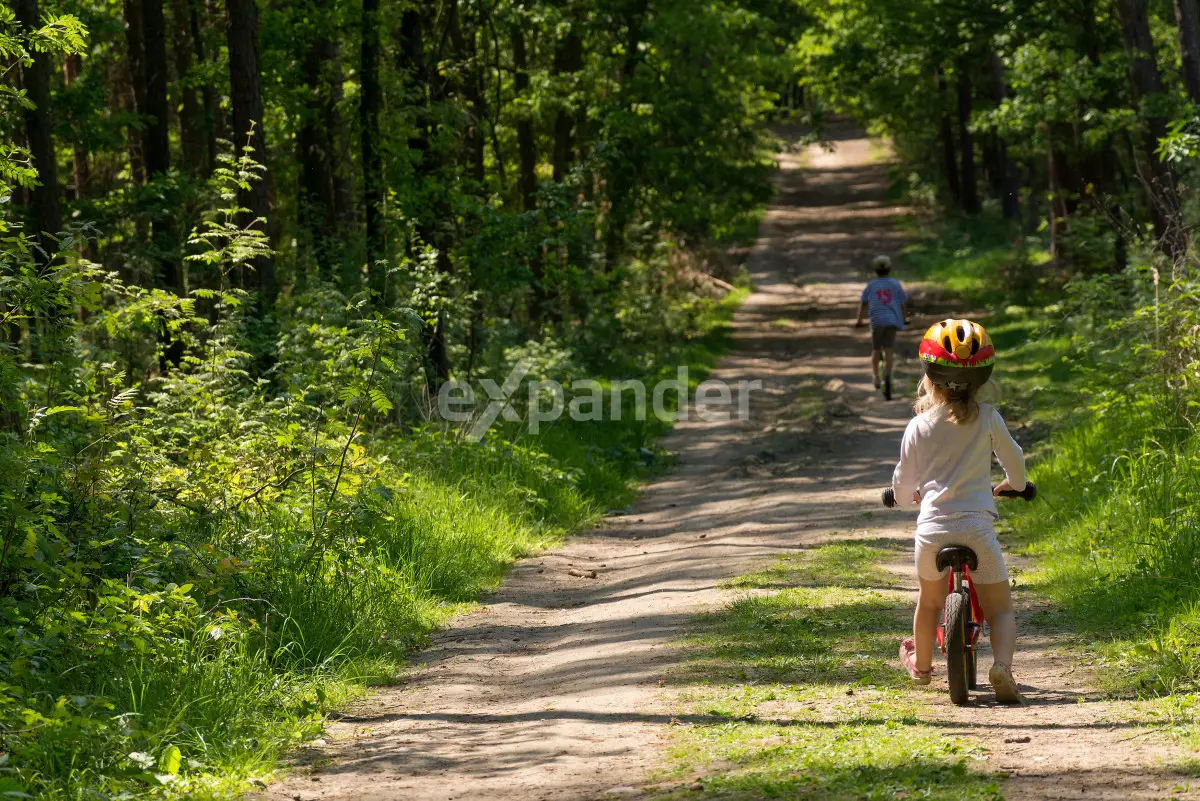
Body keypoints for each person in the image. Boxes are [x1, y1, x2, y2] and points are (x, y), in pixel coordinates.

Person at [891, 318, 1026, 704]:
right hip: (976, 529)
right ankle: (1002, 667)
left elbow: (903, 481)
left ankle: (922, 667)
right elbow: (1014, 462)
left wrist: (905, 497)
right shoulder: (989, 418)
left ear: (929, 379)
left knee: (930, 602)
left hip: (932, 531)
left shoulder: (919, 425)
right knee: (1000, 609)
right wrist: (1016, 485)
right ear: (981, 380)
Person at [855, 255, 907, 400]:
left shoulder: (871, 285)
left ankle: (875, 376)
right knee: (889, 348)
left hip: (877, 321)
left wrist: (859, 320)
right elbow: (902, 302)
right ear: (889, 268)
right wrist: (905, 318)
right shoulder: (895, 284)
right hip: (892, 320)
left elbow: (863, 303)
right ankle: (888, 374)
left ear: (875, 269)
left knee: (876, 348)